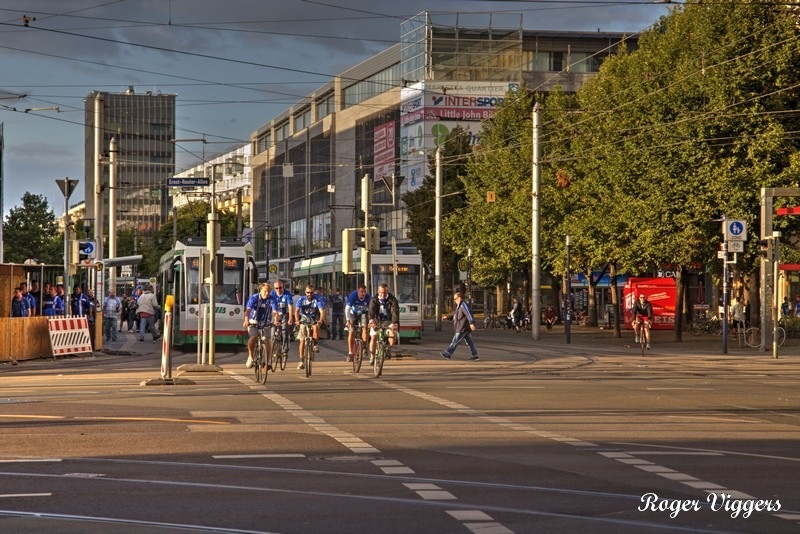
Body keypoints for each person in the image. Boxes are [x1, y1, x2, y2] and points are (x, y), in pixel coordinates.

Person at [440, 291, 479, 361]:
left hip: (462, 327)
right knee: (470, 342)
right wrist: (447, 317)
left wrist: (471, 323)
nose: (454, 300)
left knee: (455, 340)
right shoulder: (459, 305)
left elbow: (468, 313)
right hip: (464, 327)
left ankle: (448, 353)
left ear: (459, 298)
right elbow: (455, 314)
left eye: (455, 298)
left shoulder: (463, 305)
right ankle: (475, 355)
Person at [368, 282, 399, 365]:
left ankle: (388, 349)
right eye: (381, 292)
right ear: (378, 291)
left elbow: (395, 312)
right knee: (373, 336)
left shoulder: (392, 300)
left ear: (387, 292)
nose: (383, 294)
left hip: (389, 321)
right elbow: (371, 311)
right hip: (377, 321)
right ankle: (372, 357)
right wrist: (371, 320)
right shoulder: (374, 299)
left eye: (384, 293)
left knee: (392, 334)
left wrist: (394, 323)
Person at [243, 282, 273, 369]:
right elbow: (248, 310)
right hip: (253, 321)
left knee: (267, 340)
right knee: (254, 336)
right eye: (265, 291)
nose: (267, 293)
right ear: (261, 291)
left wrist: (276, 321)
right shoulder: (254, 297)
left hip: (266, 321)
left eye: (269, 292)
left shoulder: (272, 299)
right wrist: (246, 320)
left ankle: (268, 361)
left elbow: (275, 311)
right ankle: (250, 357)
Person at [295, 285, 324, 369]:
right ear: (305, 292)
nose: (310, 294)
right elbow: (297, 311)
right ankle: (301, 360)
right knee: (302, 340)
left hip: (314, 318)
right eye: (308, 292)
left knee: (315, 327)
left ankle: (315, 344)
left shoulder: (317, 299)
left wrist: (321, 320)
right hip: (304, 318)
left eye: (311, 292)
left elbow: (322, 311)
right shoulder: (301, 299)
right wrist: (297, 320)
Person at [345, 284, 371, 363]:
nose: (363, 294)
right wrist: (348, 321)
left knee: (365, 327)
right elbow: (347, 309)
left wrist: (371, 320)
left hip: (363, 314)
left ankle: (364, 347)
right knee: (351, 331)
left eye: (364, 292)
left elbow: (372, 309)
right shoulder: (353, 296)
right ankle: (350, 352)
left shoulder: (368, 297)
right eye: (361, 292)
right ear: (358, 291)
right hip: (353, 314)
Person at [271, 281, 294, 359]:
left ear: (283, 287)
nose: (278, 289)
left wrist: (290, 318)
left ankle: (284, 349)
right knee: (272, 333)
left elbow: (290, 307)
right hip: (274, 315)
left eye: (280, 288)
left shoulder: (287, 294)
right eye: (276, 288)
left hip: (284, 314)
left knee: (284, 331)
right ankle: (273, 349)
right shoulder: (272, 294)